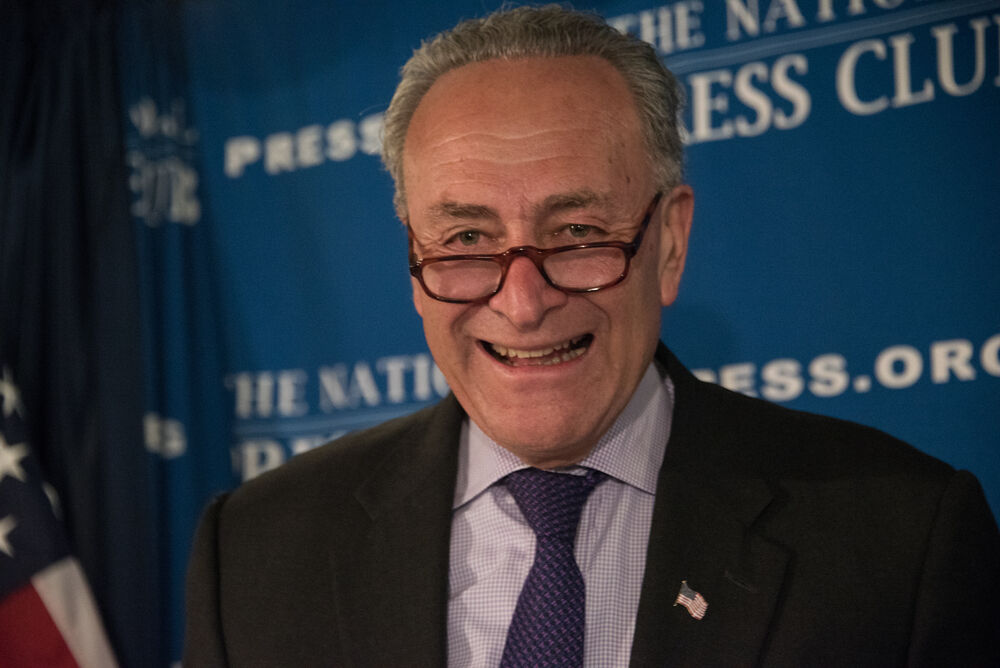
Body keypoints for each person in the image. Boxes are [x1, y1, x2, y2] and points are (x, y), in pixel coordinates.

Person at [184, 5, 1000, 666]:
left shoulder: (902, 541)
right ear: (411, 257)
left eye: (576, 232)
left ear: (669, 245)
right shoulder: (255, 552)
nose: (524, 301)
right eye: (465, 240)